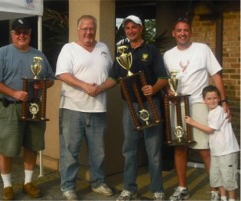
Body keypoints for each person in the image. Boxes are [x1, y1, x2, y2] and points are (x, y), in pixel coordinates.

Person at [98, 15, 168, 201]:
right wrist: (97, 88)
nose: (130, 30)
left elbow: (164, 78)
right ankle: (129, 188)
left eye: (134, 27)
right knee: (129, 150)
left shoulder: (152, 51)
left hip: (151, 105)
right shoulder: (122, 52)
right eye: (127, 28)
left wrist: (153, 88)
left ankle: (157, 189)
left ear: (141, 28)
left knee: (153, 151)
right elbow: (114, 78)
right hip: (129, 107)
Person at [0, 18, 55, 200]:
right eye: (18, 32)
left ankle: (28, 182)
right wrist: (14, 93)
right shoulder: (3, 53)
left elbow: (50, 79)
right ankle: (7, 186)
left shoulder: (38, 55)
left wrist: (43, 84)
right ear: (12, 34)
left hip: (34, 106)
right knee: (7, 149)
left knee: (32, 145)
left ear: (30, 34)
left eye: (25, 32)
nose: (22, 35)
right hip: (10, 107)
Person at [163, 17, 231, 201]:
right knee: (180, 148)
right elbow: (166, 81)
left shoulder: (202, 49)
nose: (182, 33)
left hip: (199, 104)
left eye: (186, 30)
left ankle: (215, 190)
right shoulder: (168, 55)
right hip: (177, 105)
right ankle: (182, 187)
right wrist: (169, 90)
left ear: (190, 32)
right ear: (174, 33)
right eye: (179, 30)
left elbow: (216, 76)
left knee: (204, 150)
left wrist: (223, 101)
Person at [55, 15, 113, 201]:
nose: (88, 32)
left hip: (98, 108)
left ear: (95, 29)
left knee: (99, 151)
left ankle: (97, 182)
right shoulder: (69, 49)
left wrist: (100, 88)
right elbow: (62, 74)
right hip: (73, 108)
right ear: (78, 30)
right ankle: (68, 187)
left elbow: (112, 75)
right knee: (70, 151)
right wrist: (85, 86)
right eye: (85, 29)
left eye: (91, 28)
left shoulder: (103, 48)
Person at [185, 85, 239, 201]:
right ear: (204, 100)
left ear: (219, 98)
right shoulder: (211, 112)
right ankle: (223, 197)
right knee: (218, 177)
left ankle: (232, 199)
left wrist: (193, 122)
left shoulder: (219, 111)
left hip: (227, 151)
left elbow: (210, 130)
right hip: (216, 151)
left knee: (228, 178)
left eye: (215, 98)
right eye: (209, 99)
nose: (212, 101)